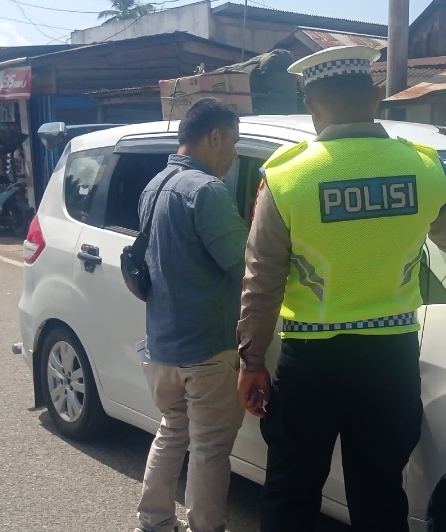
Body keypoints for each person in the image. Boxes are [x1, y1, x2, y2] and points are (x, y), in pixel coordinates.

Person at [236, 45, 446, 532]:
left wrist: (251, 360)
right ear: (374, 99)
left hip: (312, 363)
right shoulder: (423, 167)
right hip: (391, 361)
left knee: (291, 492)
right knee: (380, 494)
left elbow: (262, 280)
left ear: (312, 105)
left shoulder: (287, 176)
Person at [135, 97, 248, 532]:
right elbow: (246, 264)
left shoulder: (154, 186)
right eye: (233, 143)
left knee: (171, 432)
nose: (234, 154)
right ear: (214, 137)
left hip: (161, 347)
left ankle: (154, 521)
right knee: (209, 450)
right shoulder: (207, 191)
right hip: (206, 350)